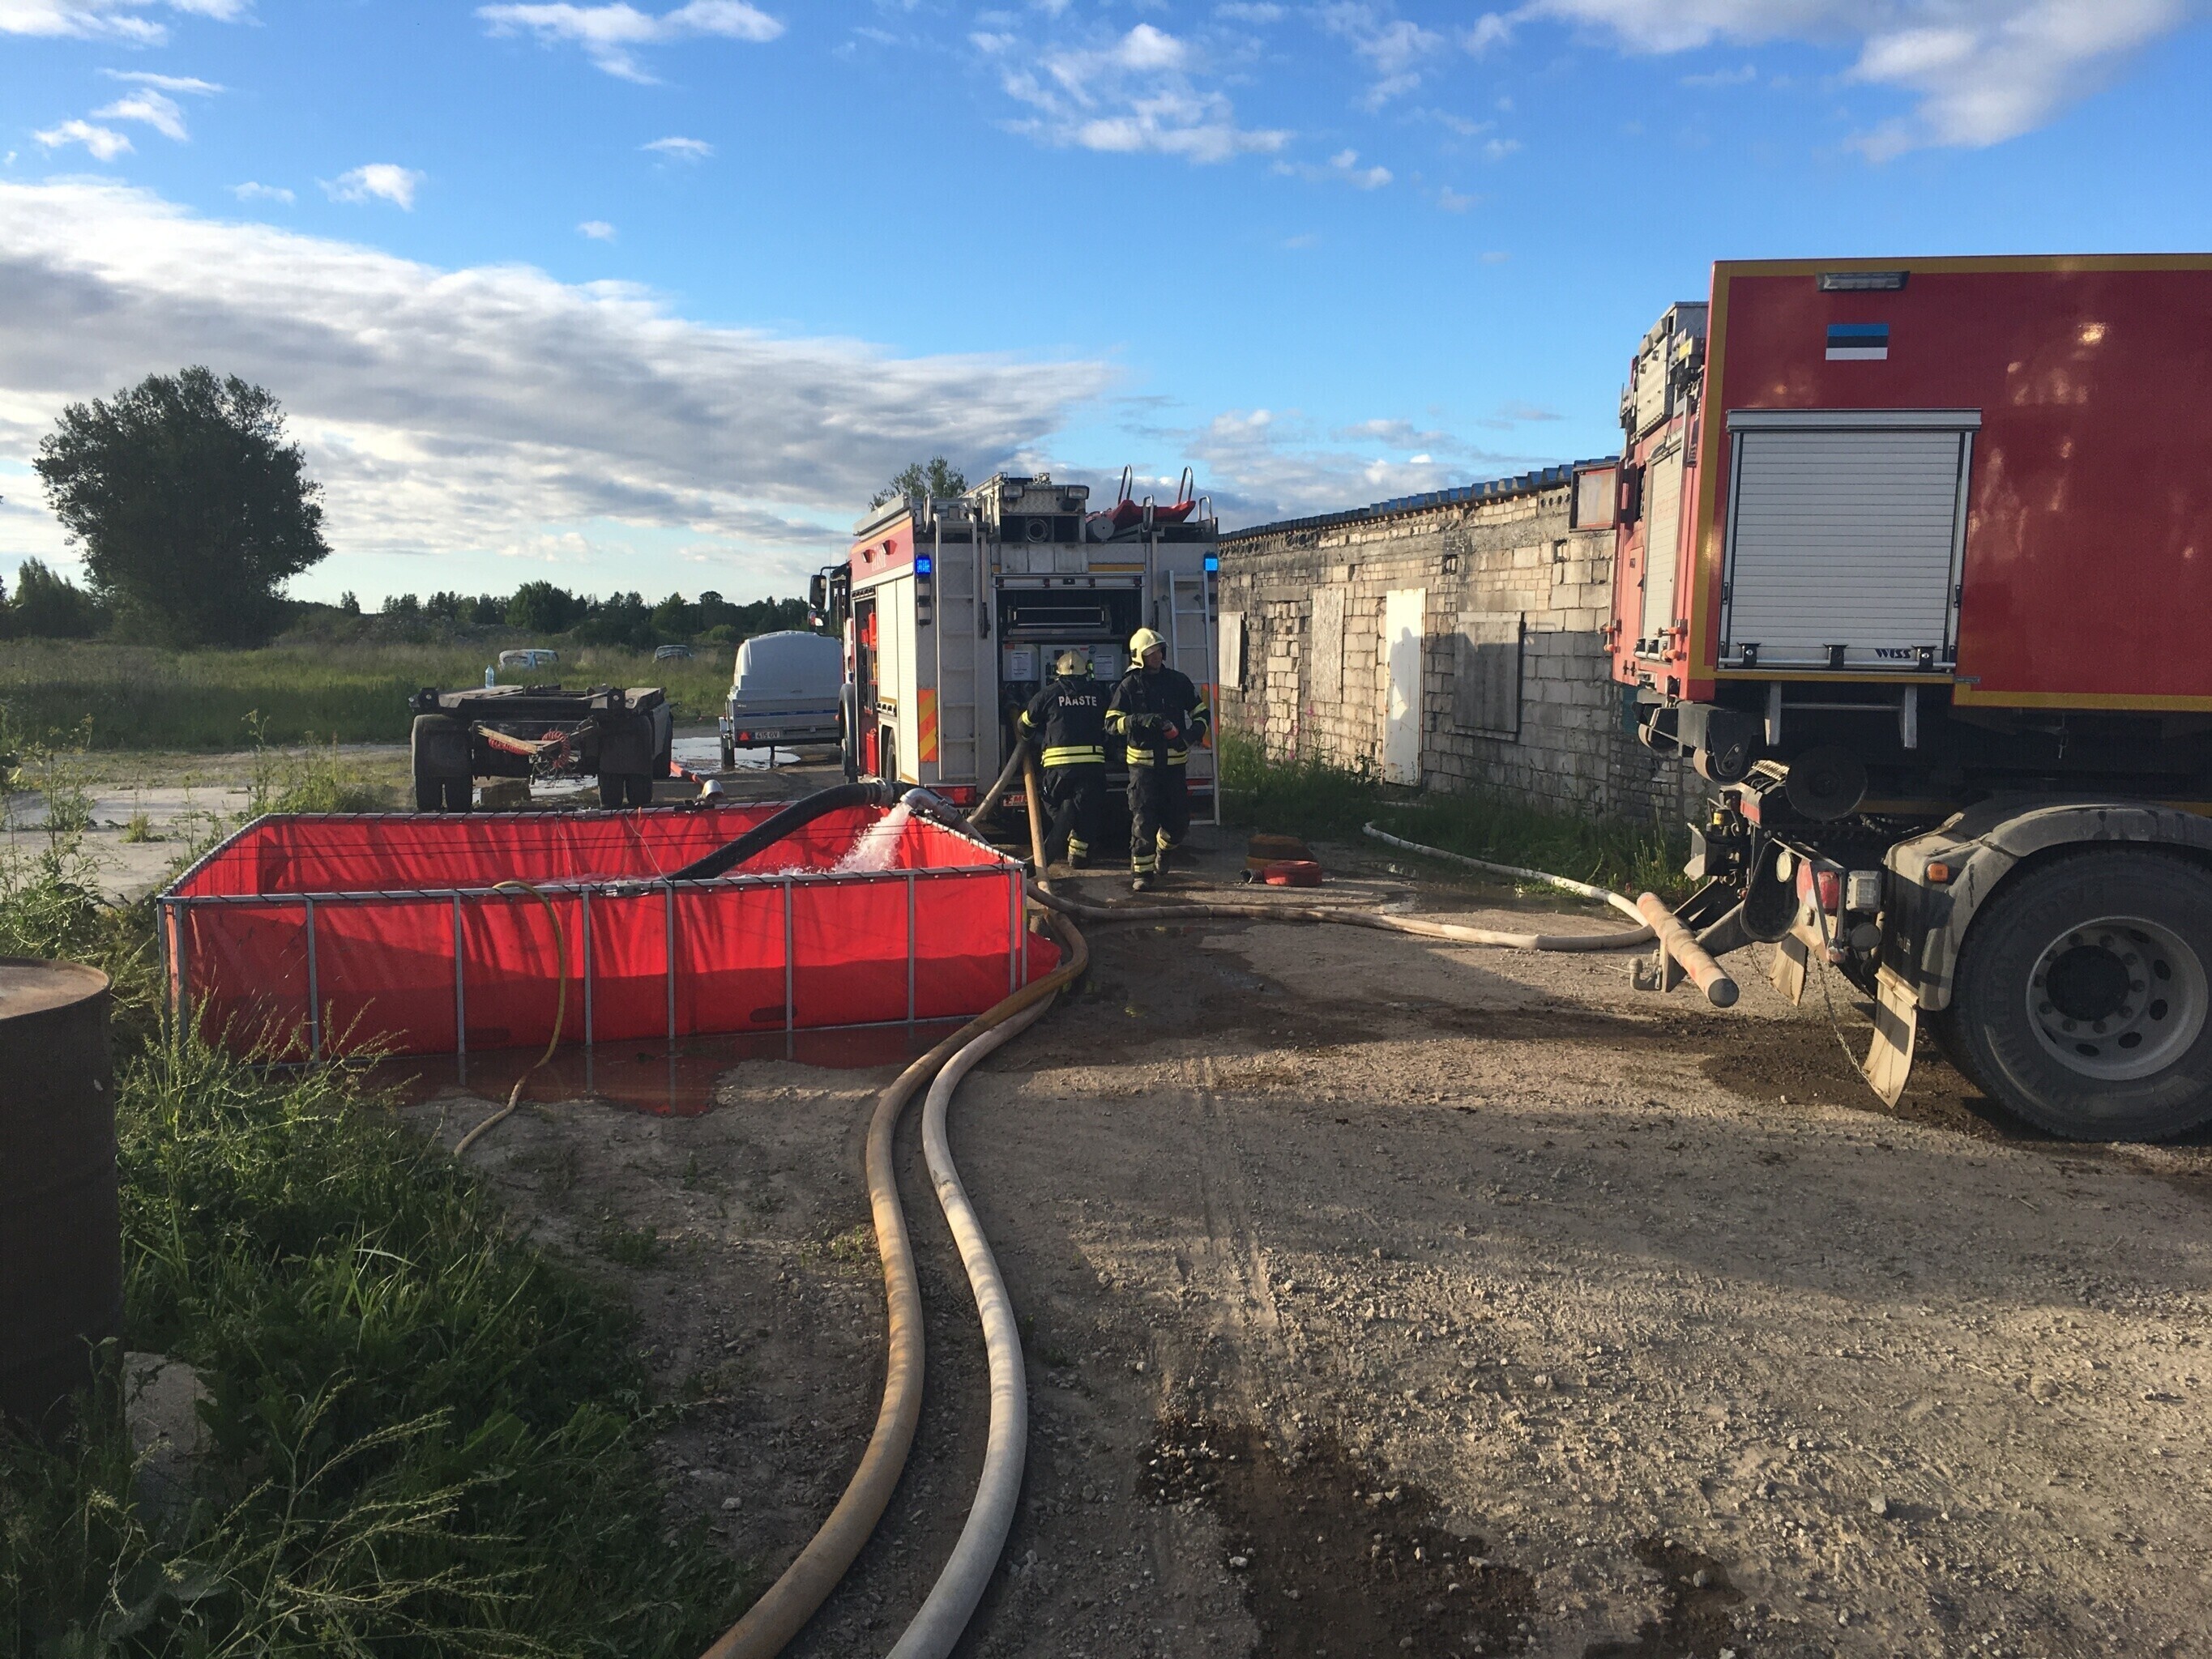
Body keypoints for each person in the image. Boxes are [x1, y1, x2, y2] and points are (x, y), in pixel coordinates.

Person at [1106, 627, 1211, 892]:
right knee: (1143, 822)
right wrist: (1137, 720)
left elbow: (1201, 715)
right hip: (1143, 769)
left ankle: (1165, 850)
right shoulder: (1129, 686)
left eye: (1159, 651)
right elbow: (1111, 724)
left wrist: (1188, 737)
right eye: (1151, 652)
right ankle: (1142, 875)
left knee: (1179, 824)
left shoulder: (1178, 681)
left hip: (1174, 767)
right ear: (1139, 656)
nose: (1157, 656)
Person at [1018, 649, 1108, 868]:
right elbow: (1111, 724)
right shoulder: (1099, 694)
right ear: (1086, 673)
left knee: (1050, 800)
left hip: (1058, 769)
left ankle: (1066, 834)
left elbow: (1024, 725)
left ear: (1057, 673)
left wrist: (1031, 738)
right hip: (1092, 767)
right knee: (1087, 809)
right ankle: (1079, 854)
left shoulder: (1047, 694)